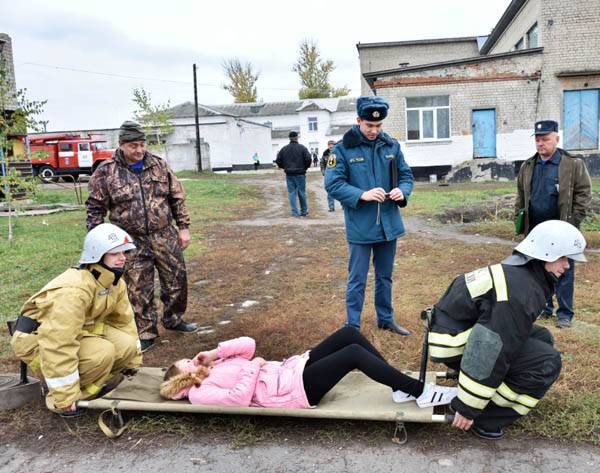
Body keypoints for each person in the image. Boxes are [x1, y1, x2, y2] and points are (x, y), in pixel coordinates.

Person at [426, 220, 587, 439]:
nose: (567, 265)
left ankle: (486, 391)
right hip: (452, 343)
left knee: (542, 337)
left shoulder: (522, 276)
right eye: (563, 257)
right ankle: (487, 418)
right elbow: (489, 345)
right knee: (547, 362)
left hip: (456, 332)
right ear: (545, 254)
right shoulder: (520, 292)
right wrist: (467, 407)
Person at [86, 121, 198, 353]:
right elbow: (95, 208)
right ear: (121, 145)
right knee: (138, 287)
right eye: (133, 146)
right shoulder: (106, 171)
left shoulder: (158, 164)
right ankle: (146, 331)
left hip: (164, 234)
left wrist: (184, 227)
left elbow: (176, 197)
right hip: (130, 240)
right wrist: (100, 244)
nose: (139, 150)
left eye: (141, 144)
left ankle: (173, 319)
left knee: (177, 280)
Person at [10, 223, 142, 417]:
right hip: (37, 341)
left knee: (126, 345)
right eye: (115, 253)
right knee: (103, 353)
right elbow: (58, 343)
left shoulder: (113, 282)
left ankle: (90, 387)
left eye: (124, 252)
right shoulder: (73, 291)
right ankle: (62, 400)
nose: (123, 258)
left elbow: (124, 322)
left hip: (77, 331)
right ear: (97, 256)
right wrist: (65, 395)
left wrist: (133, 360)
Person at [160, 326, 456, 408]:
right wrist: (256, 366)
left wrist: (214, 353)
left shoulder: (213, 366)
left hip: (292, 370)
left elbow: (248, 344)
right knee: (353, 354)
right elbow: (237, 399)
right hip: (293, 391)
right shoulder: (199, 392)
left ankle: (399, 388)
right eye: (187, 363)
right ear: (181, 378)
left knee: (349, 334)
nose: (192, 360)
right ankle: (420, 392)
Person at [325, 96, 414, 336]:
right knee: (357, 278)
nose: (374, 131)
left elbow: (406, 176)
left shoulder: (391, 146)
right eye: (369, 125)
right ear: (358, 121)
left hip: (388, 224)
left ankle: (386, 319)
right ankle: (352, 326)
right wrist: (362, 194)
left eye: (378, 125)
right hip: (361, 226)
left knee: (385, 277)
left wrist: (402, 191)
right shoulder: (342, 150)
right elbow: (333, 184)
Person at [515, 120, 592, 329]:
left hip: (562, 228)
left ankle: (564, 314)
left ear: (557, 139)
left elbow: (584, 194)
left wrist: (573, 223)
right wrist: (519, 222)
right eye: (538, 140)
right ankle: (544, 307)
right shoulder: (528, 166)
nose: (541, 144)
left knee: (564, 270)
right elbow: (521, 196)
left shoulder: (572, 164)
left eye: (545, 139)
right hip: (535, 229)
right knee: (539, 269)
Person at [275, 131, 312, 217]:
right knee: (301, 192)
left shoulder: (284, 149)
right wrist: (305, 168)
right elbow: (308, 159)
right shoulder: (302, 148)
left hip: (289, 174)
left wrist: (285, 167)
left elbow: (278, 160)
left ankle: (294, 212)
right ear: (297, 137)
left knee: (292, 193)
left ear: (289, 138)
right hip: (300, 174)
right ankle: (304, 211)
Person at [320, 140, 336, 211]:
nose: (331, 146)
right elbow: (322, 163)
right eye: (329, 145)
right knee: (330, 190)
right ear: (328, 146)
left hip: (338, 174)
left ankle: (343, 205)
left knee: (341, 190)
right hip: (329, 175)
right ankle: (331, 207)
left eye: (332, 145)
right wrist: (324, 172)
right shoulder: (325, 153)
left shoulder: (338, 152)